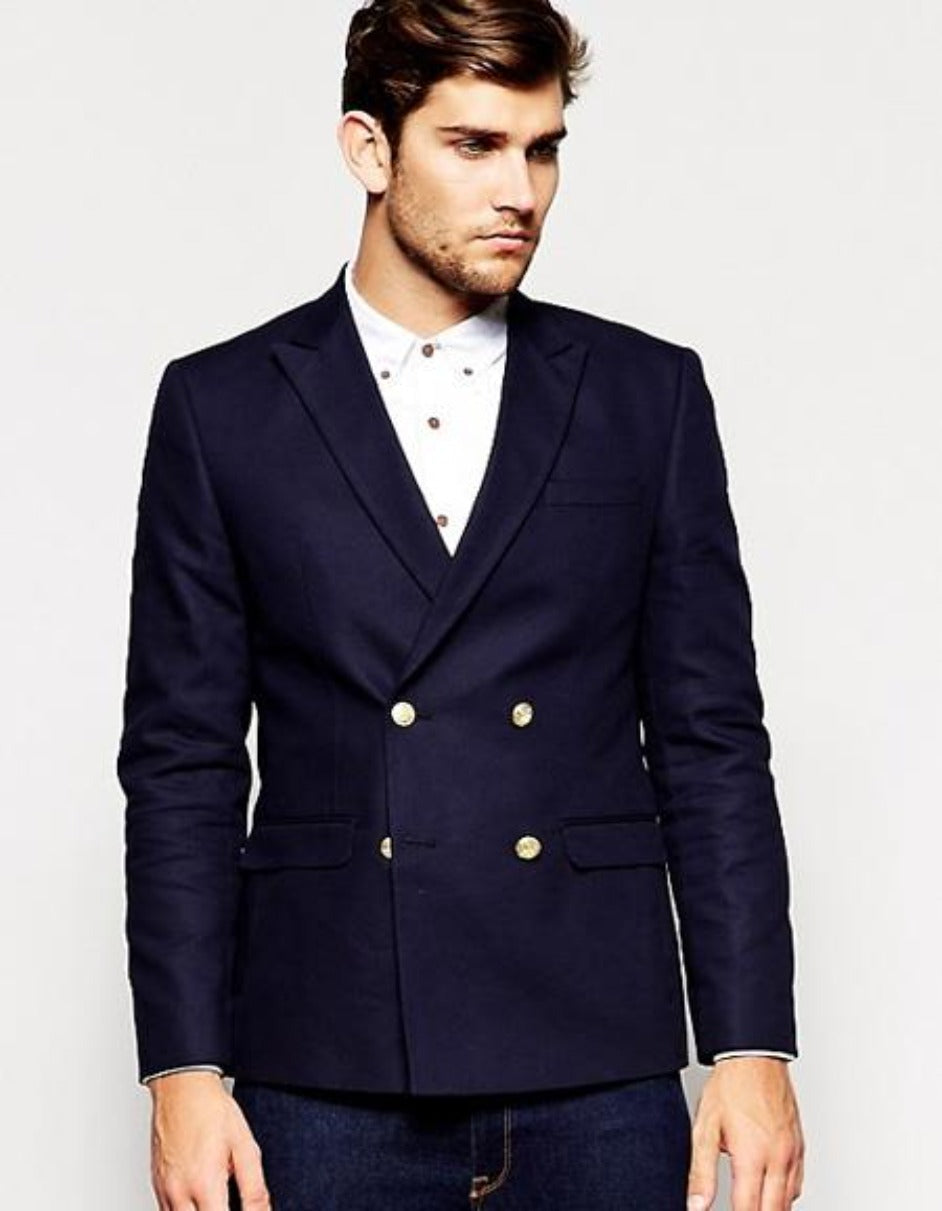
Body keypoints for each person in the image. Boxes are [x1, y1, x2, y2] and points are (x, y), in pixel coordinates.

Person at [116, 1, 805, 1207]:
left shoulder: (646, 395)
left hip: (597, 1058)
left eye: (542, 150)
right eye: (475, 145)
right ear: (369, 151)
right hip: (325, 1062)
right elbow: (182, 761)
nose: (520, 191)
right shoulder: (222, 408)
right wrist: (181, 1066)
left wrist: (752, 1044)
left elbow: (713, 741)